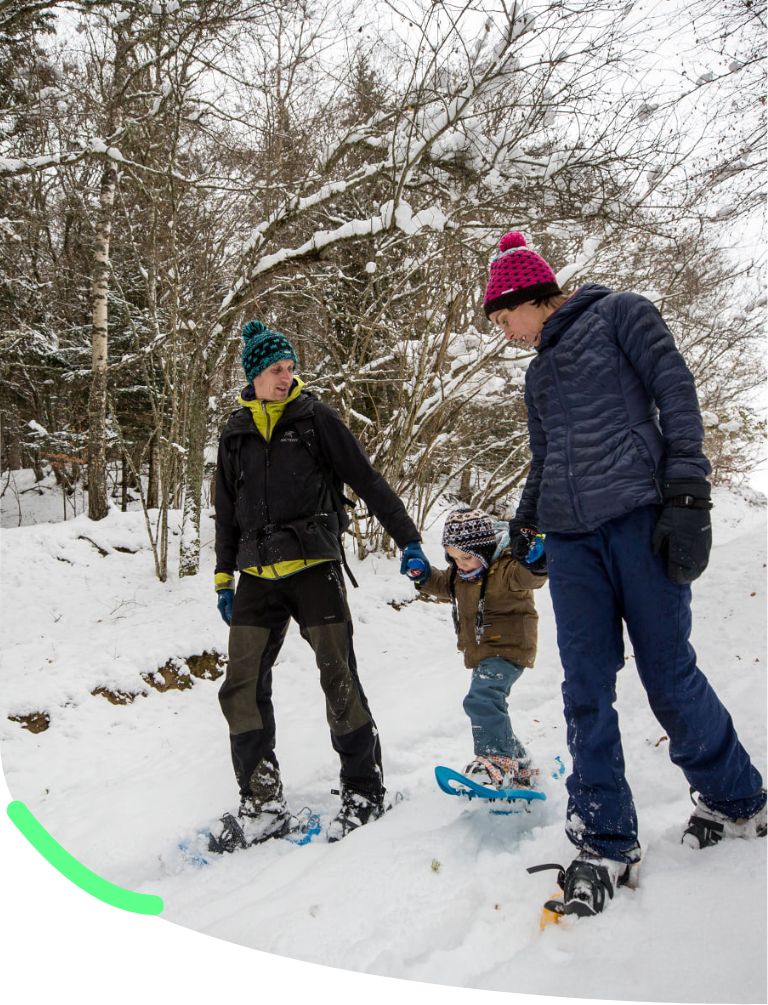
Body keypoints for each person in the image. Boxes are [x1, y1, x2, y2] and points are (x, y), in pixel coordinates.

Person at [482, 230, 766, 917]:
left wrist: (689, 489)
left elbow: (676, 390)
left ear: (531, 296)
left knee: (668, 673)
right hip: (573, 543)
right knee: (584, 687)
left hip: (639, 518)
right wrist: (526, 524)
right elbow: (544, 455)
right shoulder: (537, 375)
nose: (504, 333)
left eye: (504, 317)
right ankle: (604, 838)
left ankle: (736, 798)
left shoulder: (622, 313)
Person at [212, 319, 429, 849]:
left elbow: (367, 479)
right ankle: (262, 803)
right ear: (254, 375)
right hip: (255, 575)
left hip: (314, 566)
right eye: (275, 369)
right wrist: (223, 576)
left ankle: (363, 791)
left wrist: (408, 539)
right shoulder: (234, 433)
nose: (286, 377)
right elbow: (226, 510)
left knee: (338, 677)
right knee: (241, 687)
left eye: (290, 368)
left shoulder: (315, 419)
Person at [414, 507, 548, 788]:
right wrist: (423, 575)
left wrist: (538, 562)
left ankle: (496, 760)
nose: (460, 564)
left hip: (509, 649)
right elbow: (443, 584)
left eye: (466, 557)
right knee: (488, 704)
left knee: (482, 699)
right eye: (453, 558)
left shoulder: (507, 569)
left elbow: (530, 577)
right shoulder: (460, 574)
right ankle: (521, 764)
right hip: (483, 652)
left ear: (484, 549)